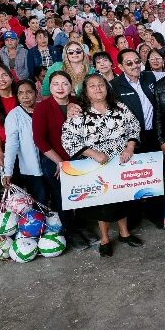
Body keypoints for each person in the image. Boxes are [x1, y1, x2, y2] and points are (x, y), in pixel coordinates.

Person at [61, 73, 143, 257]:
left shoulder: (119, 107)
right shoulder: (79, 112)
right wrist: (94, 154)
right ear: (86, 91)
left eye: (101, 85)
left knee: (123, 198)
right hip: (96, 164)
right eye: (93, 86)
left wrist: (130, 147)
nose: (98, 88)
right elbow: (68, 139)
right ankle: (105, 239)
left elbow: (134, 126)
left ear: (107, 88)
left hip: (121, 161)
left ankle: (124, 233)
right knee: (103, 202)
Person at [32, 70, 88, 246]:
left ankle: (80, 226)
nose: (60, 87)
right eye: (55, 84)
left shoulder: (78, 102)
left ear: (71, 86)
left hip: (79, 158)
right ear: (49, 86)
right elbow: (39, 140)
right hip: (54, 160)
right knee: (62, 197)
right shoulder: (42, 107)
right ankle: (70, 232)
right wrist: (60, 162)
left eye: (64, 83)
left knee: (80, 195)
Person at [111, 48, 164, 227]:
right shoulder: (115, 85)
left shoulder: (149, 77)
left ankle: (156, 213)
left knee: (155, 176)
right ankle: (133, 216)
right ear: (120, 66)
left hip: (154, 135)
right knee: (133, 177)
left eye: (137, 61)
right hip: (131, 139)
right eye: (129, 63)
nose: (135, 65)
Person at [1, 80, 48, 205]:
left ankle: (54, 224)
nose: (25, 96)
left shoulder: (44, 109)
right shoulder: (14, 115)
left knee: (54, 198)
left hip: (49, 163)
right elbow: (11, 145)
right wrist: (8, 171)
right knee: (39, 201)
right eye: (21, 93)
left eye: (29, 92)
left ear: (36, 93)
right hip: (32, 168)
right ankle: (40, 224)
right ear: (17, 95)